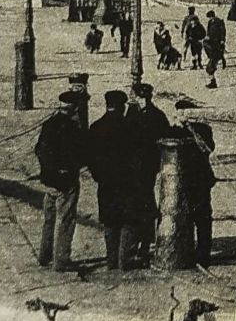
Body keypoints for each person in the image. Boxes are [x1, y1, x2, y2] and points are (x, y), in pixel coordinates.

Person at [86, 90, 137, 270]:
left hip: (106, 183)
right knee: (127, 220)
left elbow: (90, 157)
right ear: (122, 107)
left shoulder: (96, 127)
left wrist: (98, 175)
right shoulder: (129, 127)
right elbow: (137, 156)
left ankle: (111, 260)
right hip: (127, 183)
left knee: (109, 221)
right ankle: (124, 261)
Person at [33, 92, 83, 271]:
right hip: (66, 181)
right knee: (66, 220)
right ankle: (61, 260)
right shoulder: (72, 128)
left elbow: (39, 149)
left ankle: (44, 255)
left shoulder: (48, 125)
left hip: (48, 180)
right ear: (75, 108)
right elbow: (78, 154)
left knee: (49, 218)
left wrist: (48, 170)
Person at [124, 82, 170, 268]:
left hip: (143, 169)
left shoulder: (138, 116)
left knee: (143, 205)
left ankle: (142, 244)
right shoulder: (155, 115)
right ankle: (143, 243)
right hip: (142, 168)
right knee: (145, 204)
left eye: (134, 95)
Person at [178, 119, 218, 267]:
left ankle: (203, 254)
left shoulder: (203, 129)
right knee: (187, 218)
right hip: (185, 181)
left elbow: (209, 148)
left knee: (203, 219)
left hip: (200, 180)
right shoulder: (178, 131)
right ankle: (188, 252)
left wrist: (193, 130)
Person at [204, 9, 227, 88]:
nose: (210, 19)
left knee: (212, 65)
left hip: (217, 43)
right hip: (212, 43)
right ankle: (213, 82)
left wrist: (222, 41)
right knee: (212, 64)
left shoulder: (220, 22)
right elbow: (208, 32)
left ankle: (213, 82)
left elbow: (223, 32)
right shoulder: (210, 22)